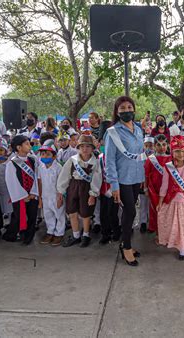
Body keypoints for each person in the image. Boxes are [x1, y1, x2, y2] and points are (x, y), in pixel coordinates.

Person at [105, 96, 145, 266]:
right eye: (122, 108)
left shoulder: (138, 129)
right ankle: (126, 247)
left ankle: (125, 243)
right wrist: (114, 185)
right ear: (117, 111)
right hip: (122, 179)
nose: (127, 110)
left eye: (130, 107)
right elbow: (109, 160)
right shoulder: (112, 132)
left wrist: (142, 177)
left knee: (131, 210)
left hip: (136, 177)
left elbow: (140, 154)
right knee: (130, 212)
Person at [157, 134, 184, 260]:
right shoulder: (168, 167)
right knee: (175, 225)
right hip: (172, 200)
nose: (181, 154)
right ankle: (177, 243)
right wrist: (160, 201)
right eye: (177, 151)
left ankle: (183, 248)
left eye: (183, 151)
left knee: (183, 225)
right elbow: (164, 186)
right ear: (172, 152)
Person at [57, 134, 102, 248]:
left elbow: (97, 179)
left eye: (88, 146)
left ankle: (86, 235)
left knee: (85, 213)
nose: (85, 149)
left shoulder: (95, 162)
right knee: (72, 212)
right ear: (78, 148)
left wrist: (93, 194)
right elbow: (64, 175)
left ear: (92, 148)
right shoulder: (72, 160)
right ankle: (76, 235)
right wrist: (61, 191)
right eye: (82, 146)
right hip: (73, 186)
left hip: (87, 188)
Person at [3, 135, 39, 245]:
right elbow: (12, 181)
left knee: (33, 216)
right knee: (19, 216)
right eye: (27, 144)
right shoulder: (12, 163)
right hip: (21, 196)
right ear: (19, 147)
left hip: (32, 194)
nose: (30, 146)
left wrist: (33, 192)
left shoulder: (33, 160)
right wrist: (23, 196)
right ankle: (15, 234)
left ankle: (29, 237)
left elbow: (37, 176)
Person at [37, 140, 65, 246]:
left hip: (56, 196)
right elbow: (39, 182)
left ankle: (59, 233)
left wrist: (60, 196)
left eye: (48, 154)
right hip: (45, 196)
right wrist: (40, 197)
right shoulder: (40, 167)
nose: (44, 156)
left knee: (59, 214)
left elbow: (61, 184)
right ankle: (50, 231)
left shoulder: (58, 167)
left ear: (54, 156)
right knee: (48, 215)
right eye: (42, 154)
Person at [144, 134, 170, 238]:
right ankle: (157, 232)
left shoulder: (171, 158)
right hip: (153, 189)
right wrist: (145, 188)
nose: (162, 147)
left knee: (167, 210)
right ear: (154, 146)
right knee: (155, 210)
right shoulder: (150, 159)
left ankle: (166, 231)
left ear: (167, 145)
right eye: (158, 145)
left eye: (164, 144)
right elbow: (146, 175)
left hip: (168, 189)